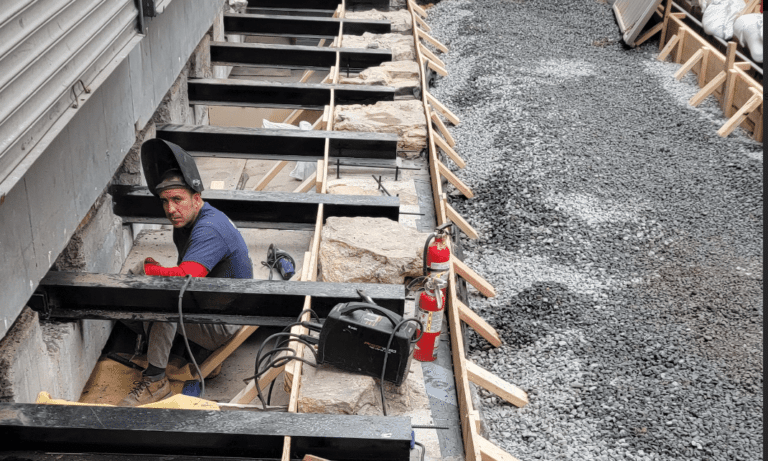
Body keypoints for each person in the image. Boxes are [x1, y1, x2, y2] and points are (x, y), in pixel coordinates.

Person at [118, 139, 253, 407]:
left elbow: (184, 278)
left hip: (224, 322)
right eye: (165, 201)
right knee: (136, 277)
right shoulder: (188, 219)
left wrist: (151, 270)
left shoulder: (209, 229)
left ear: (197, 198)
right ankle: (161, 344)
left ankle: (156, 382)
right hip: (210, 302)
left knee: (163, 297)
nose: (170, 209)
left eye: (177, 199)